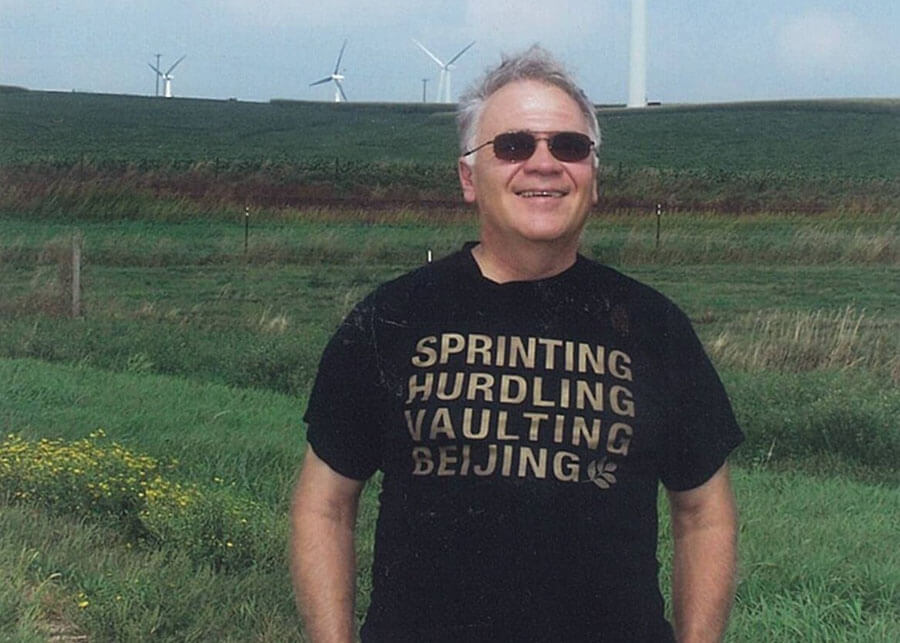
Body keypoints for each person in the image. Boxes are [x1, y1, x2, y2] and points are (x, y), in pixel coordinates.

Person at [290, 45, 743, 643]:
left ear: (593, 178)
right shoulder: (393, 317)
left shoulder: (653, 327)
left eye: (569, 146)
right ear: (468, 178)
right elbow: (324, 504)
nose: (544, 163)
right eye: (513, 146)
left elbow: (704, 512)